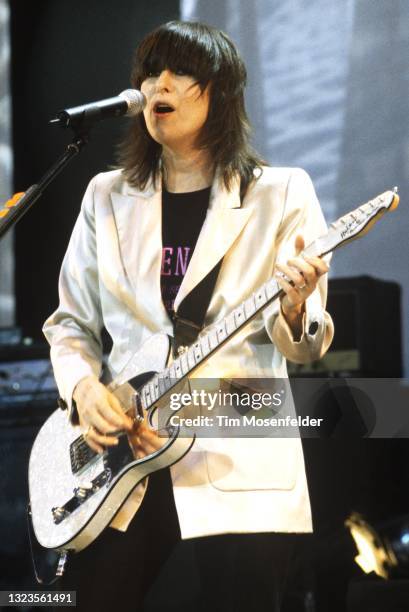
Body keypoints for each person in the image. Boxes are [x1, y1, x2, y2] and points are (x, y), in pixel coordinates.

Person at [43, 20, 334, 612]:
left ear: (219, 92)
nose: (158, 86)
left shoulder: (280, 192)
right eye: (149, 73)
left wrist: (298, 306)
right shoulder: (105, 195)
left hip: (237, 448)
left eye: (178, 73)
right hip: (124, 456)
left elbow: (303, 348)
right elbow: (69, 322)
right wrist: (83, 389)